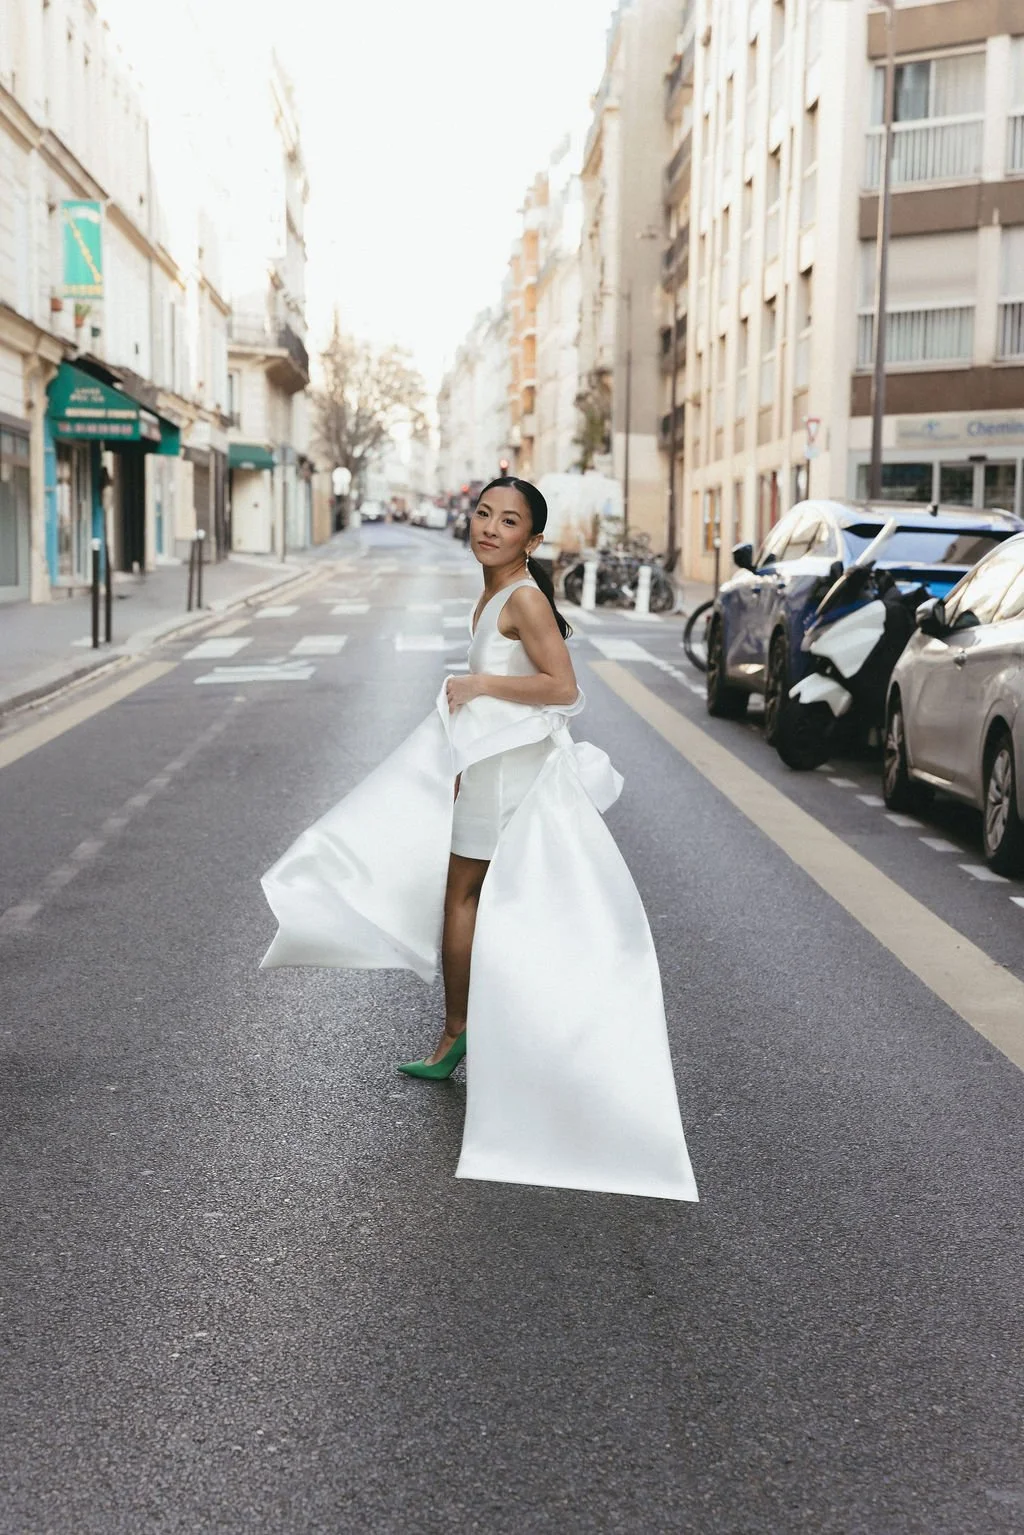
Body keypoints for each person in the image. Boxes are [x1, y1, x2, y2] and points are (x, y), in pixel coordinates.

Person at [261, 476, 698, 1201]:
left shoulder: (523, 597)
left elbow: (564, 688)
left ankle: (460, 1033)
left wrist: (481, 689)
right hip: (491, 771)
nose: (490, 527)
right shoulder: (498, 591)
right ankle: (488, 1033)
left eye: (509, 520)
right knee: (490, 902)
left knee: (464, 897)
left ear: (532, 538)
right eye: (484, 514)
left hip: (510, 780)